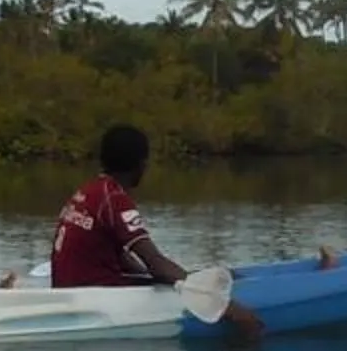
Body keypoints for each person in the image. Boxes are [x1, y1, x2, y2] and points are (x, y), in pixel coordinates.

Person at [41, 124, 263, 332]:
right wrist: (224, 306)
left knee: (193, 277)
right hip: (94, 297)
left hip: (67, 291)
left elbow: (123, 257)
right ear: (141, 164)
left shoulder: (88, 191)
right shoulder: (114, 199)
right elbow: (156, 264)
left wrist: (185, 278)